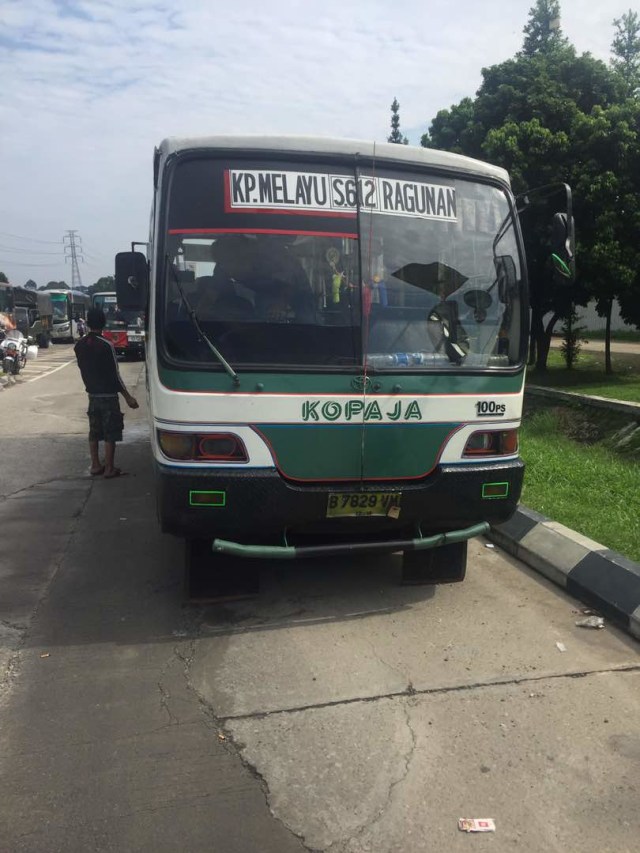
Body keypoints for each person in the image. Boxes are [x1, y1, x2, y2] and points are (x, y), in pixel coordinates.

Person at [74, 307, 139, 478]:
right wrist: (128, 397)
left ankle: (95, 465)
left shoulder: (79, 345)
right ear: (103, 323)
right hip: (108, 396)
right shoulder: (107, 345)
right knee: (111, 432)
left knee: (94, 431)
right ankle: (109, 468)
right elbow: (114, 375)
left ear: (87, 323)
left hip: (92, 395)